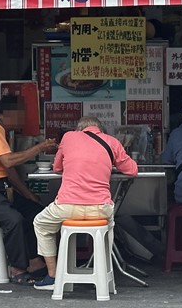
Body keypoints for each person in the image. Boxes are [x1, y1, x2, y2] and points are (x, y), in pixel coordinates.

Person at [31, 117, 138, 290]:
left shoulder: (68, 137)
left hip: (67, 207)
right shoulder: (112, 142)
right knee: (108, 228)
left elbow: (57, 168)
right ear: (100, 130)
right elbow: (132, 170)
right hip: (100, 209)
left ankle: (52, 277)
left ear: (79, 129)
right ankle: (103, 274)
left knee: (41, 223)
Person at [0, 95, 56, 285]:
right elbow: (8, 161)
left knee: (36, 213)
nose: (22, 120)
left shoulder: (3, 131)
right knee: (14, 220)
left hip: (0, 189)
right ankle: (18, 268)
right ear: (8, 114)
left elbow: (10, 172)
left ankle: (34, 261)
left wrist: (29, 195)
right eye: (20, 115)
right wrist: (41, 147)